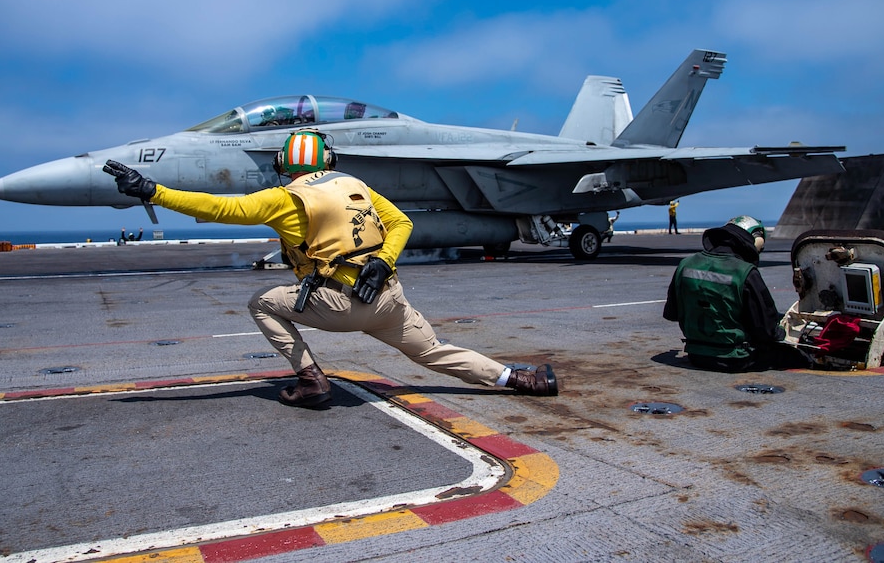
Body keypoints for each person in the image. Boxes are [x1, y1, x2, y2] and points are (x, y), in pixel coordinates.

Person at [103, 130, 558, 407]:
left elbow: (222, 207)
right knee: (434, 351)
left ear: (285, 165)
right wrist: (382, 261)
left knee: (262, 303)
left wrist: (152, 191)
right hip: (386, 300)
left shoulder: (284, 198)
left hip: (336, 306)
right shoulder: (355, 183)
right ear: (328, 161)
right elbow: (402, 222)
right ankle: (518, 380)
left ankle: (310, 380)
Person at [662, 215, 805, 372]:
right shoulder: (744, 272)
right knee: (802, 357)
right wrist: (783, 332)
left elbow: (671, 313)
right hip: (735, 359)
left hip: (696, 355)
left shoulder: (685, 265)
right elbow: (766, 329)